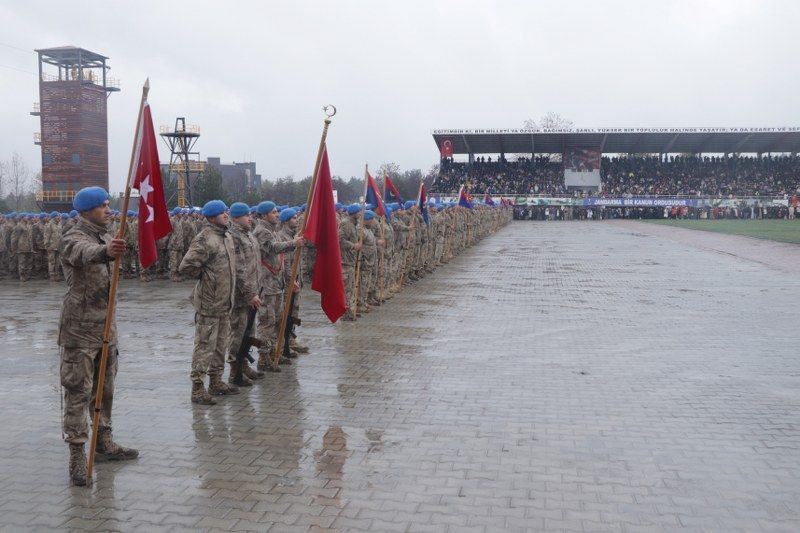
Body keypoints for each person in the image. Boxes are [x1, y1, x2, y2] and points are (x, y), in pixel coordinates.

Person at [58, 186, 139, 486]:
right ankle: (77, 454)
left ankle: (104, 440)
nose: (109, 209)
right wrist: (105, 252)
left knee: (105, 390)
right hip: (80, 330)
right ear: (87, 210)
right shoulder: (73, 236)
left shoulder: (105, 235)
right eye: (103, 205)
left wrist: (109, 247)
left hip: (107, 328)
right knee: (78, 392)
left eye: (109, 204)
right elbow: (81, 253)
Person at [179, 200, 239, 404]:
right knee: (205, 345)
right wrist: (208, 278)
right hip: (209, 302)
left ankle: (216, 381)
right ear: (212, 216)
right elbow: (186, 266)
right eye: (222, 212)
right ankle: (197, 388)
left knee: (221, 344)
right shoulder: (205, 239)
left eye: (226, 211)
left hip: (225, 302)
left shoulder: (227, 236)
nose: (226, 215)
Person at [226, 202, 263, 386]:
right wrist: (250, 293)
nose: (250, 218)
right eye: (246, 215)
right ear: (235, 218)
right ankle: (235, 369)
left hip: (252, 292)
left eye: (250, 215)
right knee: (238, 332)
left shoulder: (248, 234)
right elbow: (239, 269)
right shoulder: (234, 237)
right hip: (241, 296)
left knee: (249, 331)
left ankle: (244, 364)